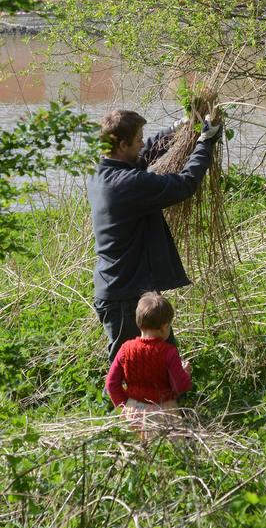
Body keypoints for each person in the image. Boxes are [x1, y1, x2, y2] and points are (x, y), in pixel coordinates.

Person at [89, 108, 221, 363]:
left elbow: (145, 153)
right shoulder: (126, 184)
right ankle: (122, 403)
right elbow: (185, 184)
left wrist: (178, 130)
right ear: (123, 145)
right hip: (123, 297)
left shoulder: (102, 171)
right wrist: (205, 143)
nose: (142, 142)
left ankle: (172, 400)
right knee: (127, 369)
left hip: (125, 289)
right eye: (138, 138)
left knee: (163, 360)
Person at [104, 292, 192, 435]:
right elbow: (179, 385)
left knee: (136, 451)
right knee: (168, 452)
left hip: (133, 411)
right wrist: (185, 373)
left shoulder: (126, 349)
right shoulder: (168, 352)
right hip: (164, 411)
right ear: (164, 327)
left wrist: (124, 406)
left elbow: (111, 383)